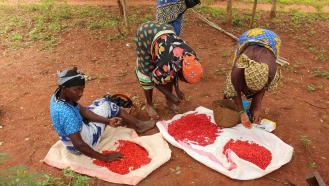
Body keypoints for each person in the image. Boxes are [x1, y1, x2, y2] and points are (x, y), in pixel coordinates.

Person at [50, 67, 155, 162]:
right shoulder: (66, 113)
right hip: (83, 145)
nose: (80, 93)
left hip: (70, 142)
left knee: (100, 102)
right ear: (64, 88)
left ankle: (102, 121)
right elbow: (79, 144)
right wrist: (105, 157)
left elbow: (84, 111)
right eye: (77, 89)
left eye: (82, 89)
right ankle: (138, 125)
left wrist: (108, 121)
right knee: (108, 105)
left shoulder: (58, 96)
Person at [134, 21, 203, 119]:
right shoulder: (168, 62)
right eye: (184, 80)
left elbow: (174, 73)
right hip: (146, 34)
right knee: (146, 72)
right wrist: (171, 95)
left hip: (165, 32)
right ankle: (149, 105)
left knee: (168, 75)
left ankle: (168, 102)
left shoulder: (191, 55)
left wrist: (177, 90)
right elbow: (154, 79)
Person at [223, 28, 281, 127]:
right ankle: (228, 102)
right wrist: (241, 112)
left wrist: (257, 107)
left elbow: (263, 87)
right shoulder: (238, 69)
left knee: (256, 104)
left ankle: (252, 110)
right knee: (231, 90)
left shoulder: (270, 71)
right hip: (248, 38)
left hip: (271, 40)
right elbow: (233, 89)